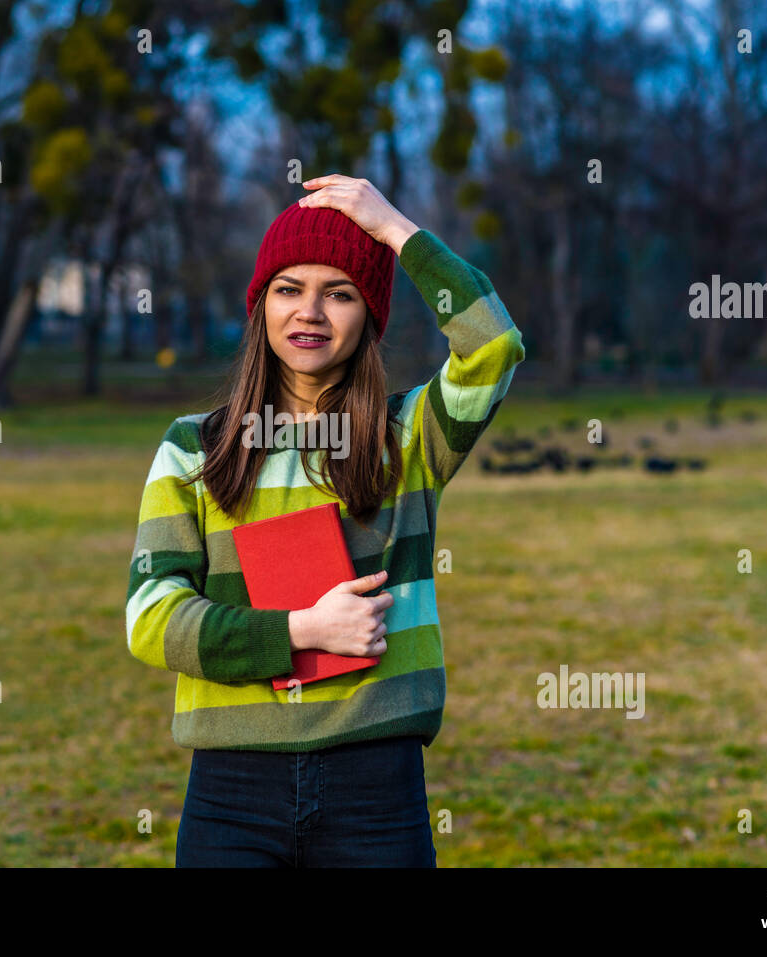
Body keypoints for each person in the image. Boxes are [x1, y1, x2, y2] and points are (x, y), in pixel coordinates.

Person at [125, 174, 527, 867]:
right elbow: (151, 617)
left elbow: (492, 345)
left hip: (376, 787)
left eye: (339, 292)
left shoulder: (410, 436)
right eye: (289, 288)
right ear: (260, 305)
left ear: (369, 314)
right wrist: (301, 632)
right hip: (231, 790)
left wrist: (396, 230)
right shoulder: (193, 446)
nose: (310, 311)